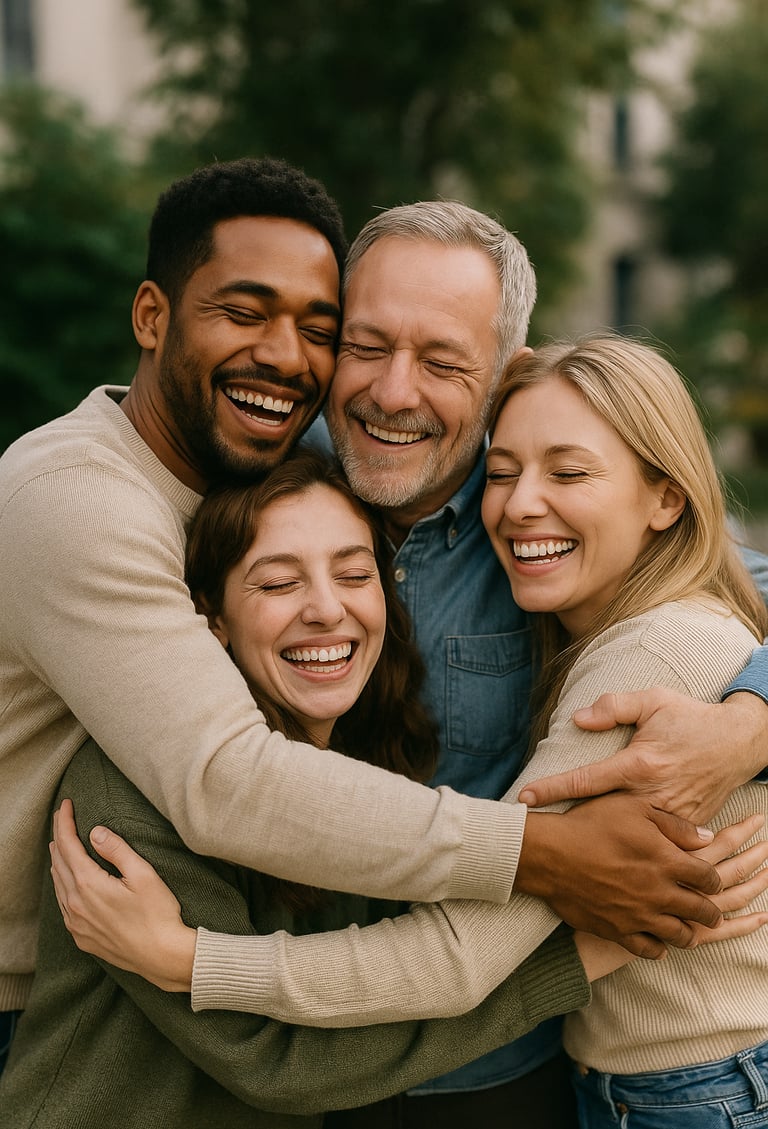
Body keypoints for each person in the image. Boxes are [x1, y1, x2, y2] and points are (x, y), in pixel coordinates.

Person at [48, 202, 768, 1123]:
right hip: (280, 1062)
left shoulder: (542, 527)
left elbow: (711, 586)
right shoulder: (256, 486)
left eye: (440, 361)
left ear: (504, 376)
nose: (393, 393)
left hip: (501, 1065)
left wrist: (748, 718)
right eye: (366, 344)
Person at [0, 446, 638, 1125]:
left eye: (354, 574)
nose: (327, 609)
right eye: (277, 584)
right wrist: (571, 963)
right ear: (211, 619)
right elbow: (281, 1059)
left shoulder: (365, 774)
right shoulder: (125, 795)